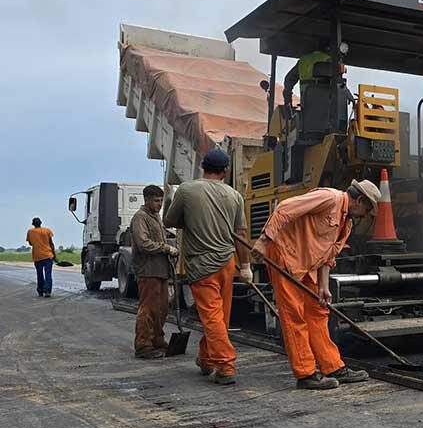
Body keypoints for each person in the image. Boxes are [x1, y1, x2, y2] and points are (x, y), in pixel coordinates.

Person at [252, 180, 380, 389]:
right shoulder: (329, 198)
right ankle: (306, 374)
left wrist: (323, 286)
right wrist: (263, 241)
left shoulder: (346, 224)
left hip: (307, 264)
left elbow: (328, 256)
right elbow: (285, 208)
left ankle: (333, 366)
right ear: (360, 200)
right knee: (294, 315)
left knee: (318, 312)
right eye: (367, 208)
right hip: (285, 255)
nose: (366, 214)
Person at [164, 149, 251, 384]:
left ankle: (225, 366)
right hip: (228, 262)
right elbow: (241, 233)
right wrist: (246, 266)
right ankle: (206, 358)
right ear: (225, 171)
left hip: (201, 265)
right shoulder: (235, 196)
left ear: (202, 167)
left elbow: (169, 221)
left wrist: (190, 219)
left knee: (212, 318)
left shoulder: (187, 190)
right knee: (220, 317)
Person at [130, 185, 179, 359]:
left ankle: (157, 339)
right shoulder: (140, 218)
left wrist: (172, 246)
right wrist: (165, 248)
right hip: (148, 270)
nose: (159, 204)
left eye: (160, 201)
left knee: (162, 308)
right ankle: (143, 344)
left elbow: (162, 237)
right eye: (156, 201)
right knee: (148, 309)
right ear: (147, 200)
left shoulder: (156, 217)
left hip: (161, 270)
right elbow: (143, 243)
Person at [26, 218, 56, 298]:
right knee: (48, 274)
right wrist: (54, 256)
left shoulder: (30, 232)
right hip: (48, 255)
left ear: (33, 224)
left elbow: (30, 243)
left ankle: (40, 291)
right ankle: (47, 291)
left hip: (37, 256)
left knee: (39, 274)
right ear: (41, 223)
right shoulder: (47, 230)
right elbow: (51, 243)